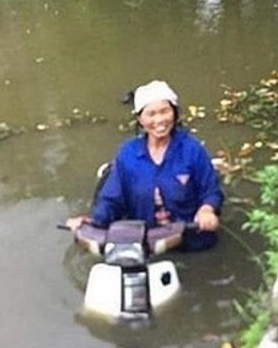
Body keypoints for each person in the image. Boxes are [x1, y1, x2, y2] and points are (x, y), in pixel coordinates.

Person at [66, 80, 223, 251]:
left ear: (175, 113)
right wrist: (92, 222)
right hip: (143, 242)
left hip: (189, 238)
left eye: (165, 111)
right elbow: (111, 199)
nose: (160, 120)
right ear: (140, 119)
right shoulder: (127, 154)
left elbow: (211, 192)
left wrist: (207, 210)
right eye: (151, 114)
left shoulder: (192, 150)